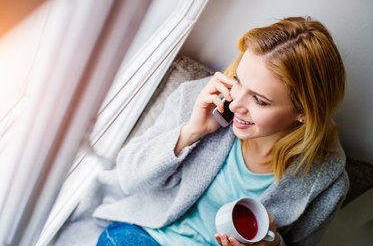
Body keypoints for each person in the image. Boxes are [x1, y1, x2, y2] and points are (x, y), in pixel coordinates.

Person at [96, 16, 348, 246]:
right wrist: (190, 132)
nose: (236, 104)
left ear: (303, 112)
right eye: (239, 81)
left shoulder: (326, 182)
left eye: (259, 100)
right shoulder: (203, 99)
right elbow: (128, 177)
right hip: (144, 235)